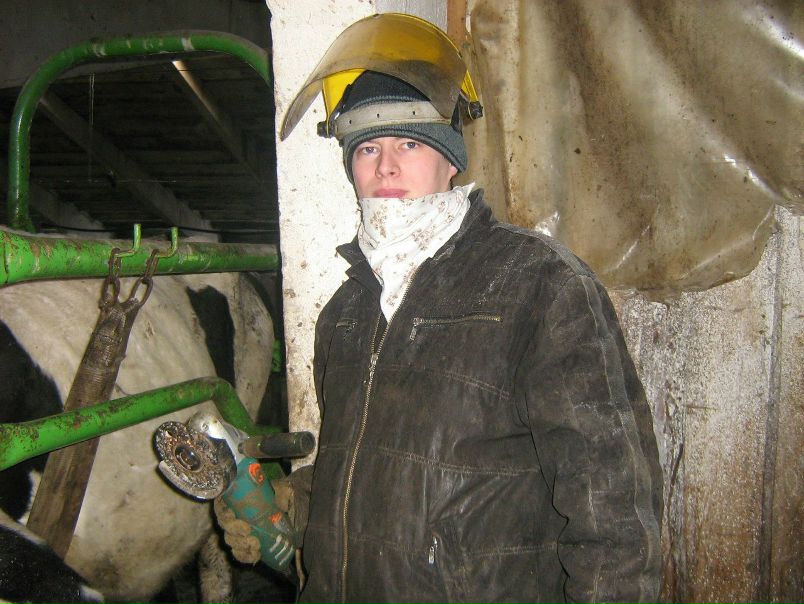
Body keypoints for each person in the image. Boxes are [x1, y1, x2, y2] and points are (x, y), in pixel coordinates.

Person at [215, 13, 663, 604]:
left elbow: (612, 502)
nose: (386, 166)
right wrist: (295, 504)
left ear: (451, 159)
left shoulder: (539, 285)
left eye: (410, 142)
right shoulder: (344, 313)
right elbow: (369, 464)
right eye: (367, 147)